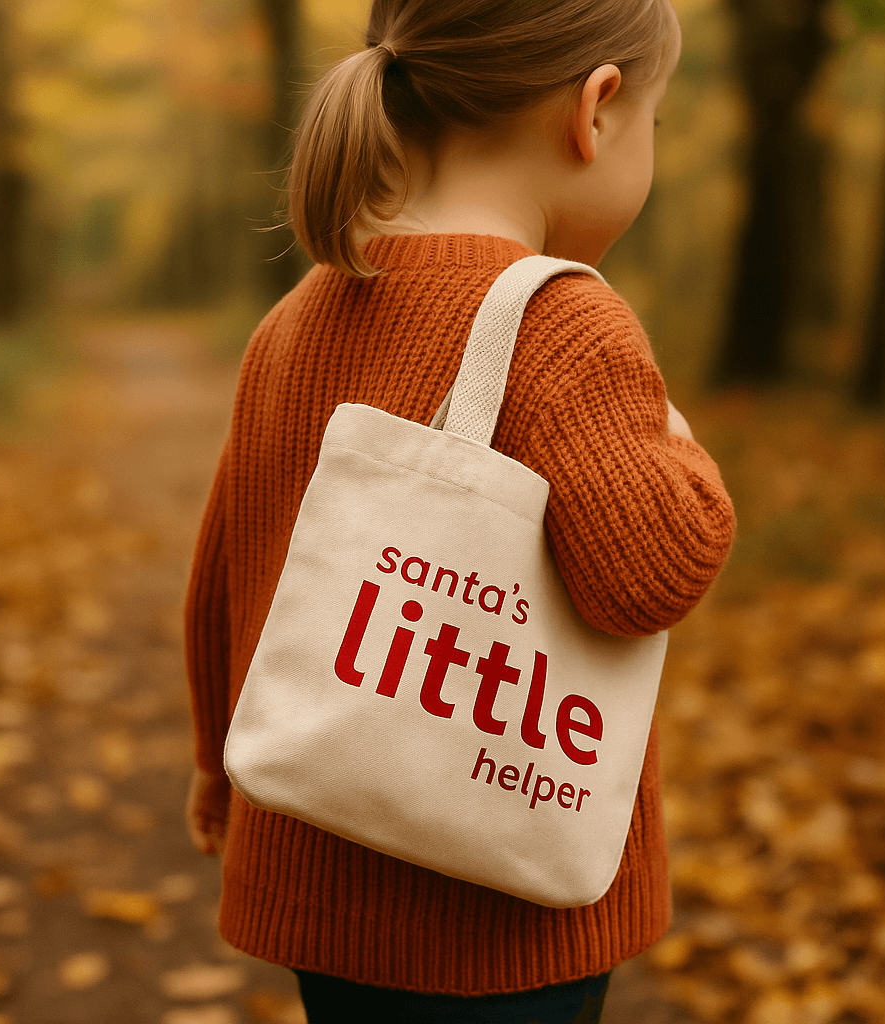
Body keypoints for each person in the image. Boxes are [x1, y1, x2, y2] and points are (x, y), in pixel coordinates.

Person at [183, 1, 736, 1021]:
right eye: (654, 119)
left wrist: (220, 775)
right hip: (503, 910)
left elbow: (226, 573)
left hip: (314, 870)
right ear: (597, 110)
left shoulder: (295, 318)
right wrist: (681, 449)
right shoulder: (567, 320)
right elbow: (648, 575)